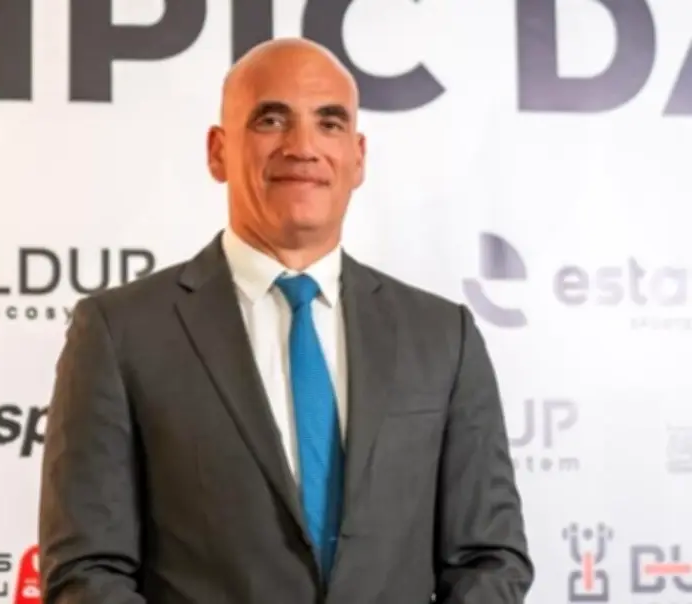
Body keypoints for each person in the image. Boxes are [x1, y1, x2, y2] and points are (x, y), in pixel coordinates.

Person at [38, 37, 534, 604]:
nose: (303, 147)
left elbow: (489, 559)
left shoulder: (444, 337)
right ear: (218, 152)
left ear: (358, 157)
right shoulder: (120, 332)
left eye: (329, 123)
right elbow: (87, 571)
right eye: (271, 120)